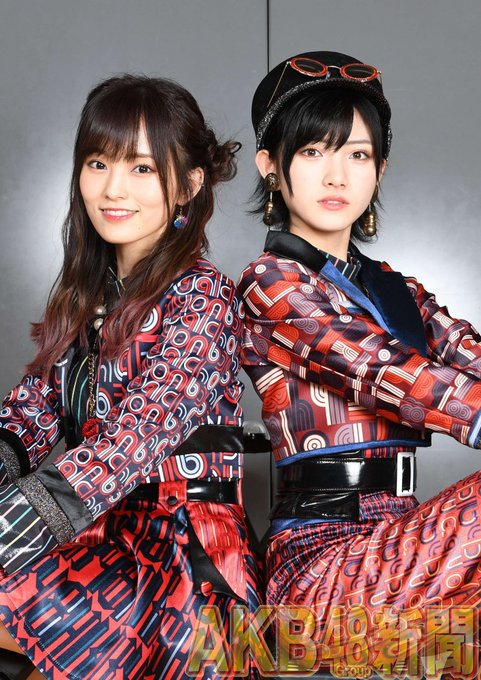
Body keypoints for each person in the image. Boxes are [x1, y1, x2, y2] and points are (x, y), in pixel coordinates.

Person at [0, 74, 261, 680]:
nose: (113, 188)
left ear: (189, 185)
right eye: (98, 162)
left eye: (142, 168)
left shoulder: (203, 296)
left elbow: (145, 430)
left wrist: (22, 519)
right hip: (97, 536)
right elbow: (30, 414)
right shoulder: (85, 298)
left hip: (180, 557)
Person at [238, 50, 481, 677]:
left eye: (358, 155)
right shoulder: (271, 285)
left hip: (410, 546)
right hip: (319, 566)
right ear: (271, 166)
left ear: (379, 170)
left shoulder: (400, 292)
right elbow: (387, 373)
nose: (336, 175)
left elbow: (469, 354)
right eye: (313, 152)